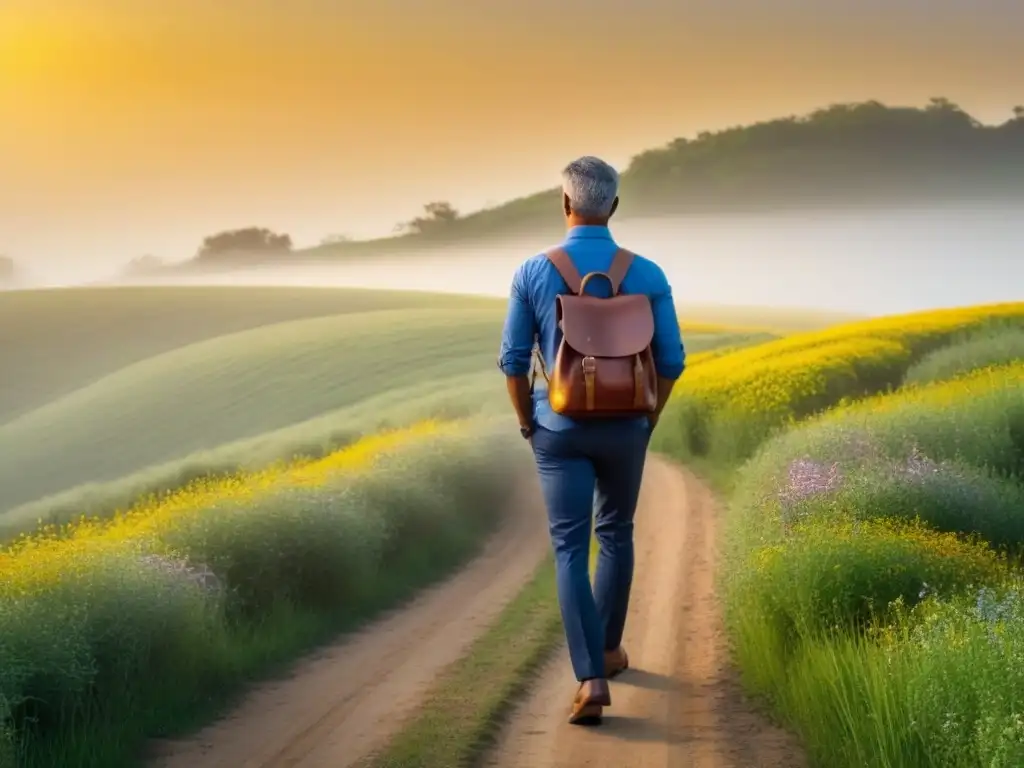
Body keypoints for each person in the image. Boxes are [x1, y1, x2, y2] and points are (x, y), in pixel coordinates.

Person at [496, 156, 686, 725]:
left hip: (559, 428)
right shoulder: (648, 273)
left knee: (571, 549)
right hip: (627, 427)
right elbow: (673, 360)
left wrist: (529, 423)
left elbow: (511, 362)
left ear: (565, 203)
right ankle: (608, 648)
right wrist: (645, 422)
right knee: (617, 533)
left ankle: (591, 679)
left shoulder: (532, 271)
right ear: (615, 207)